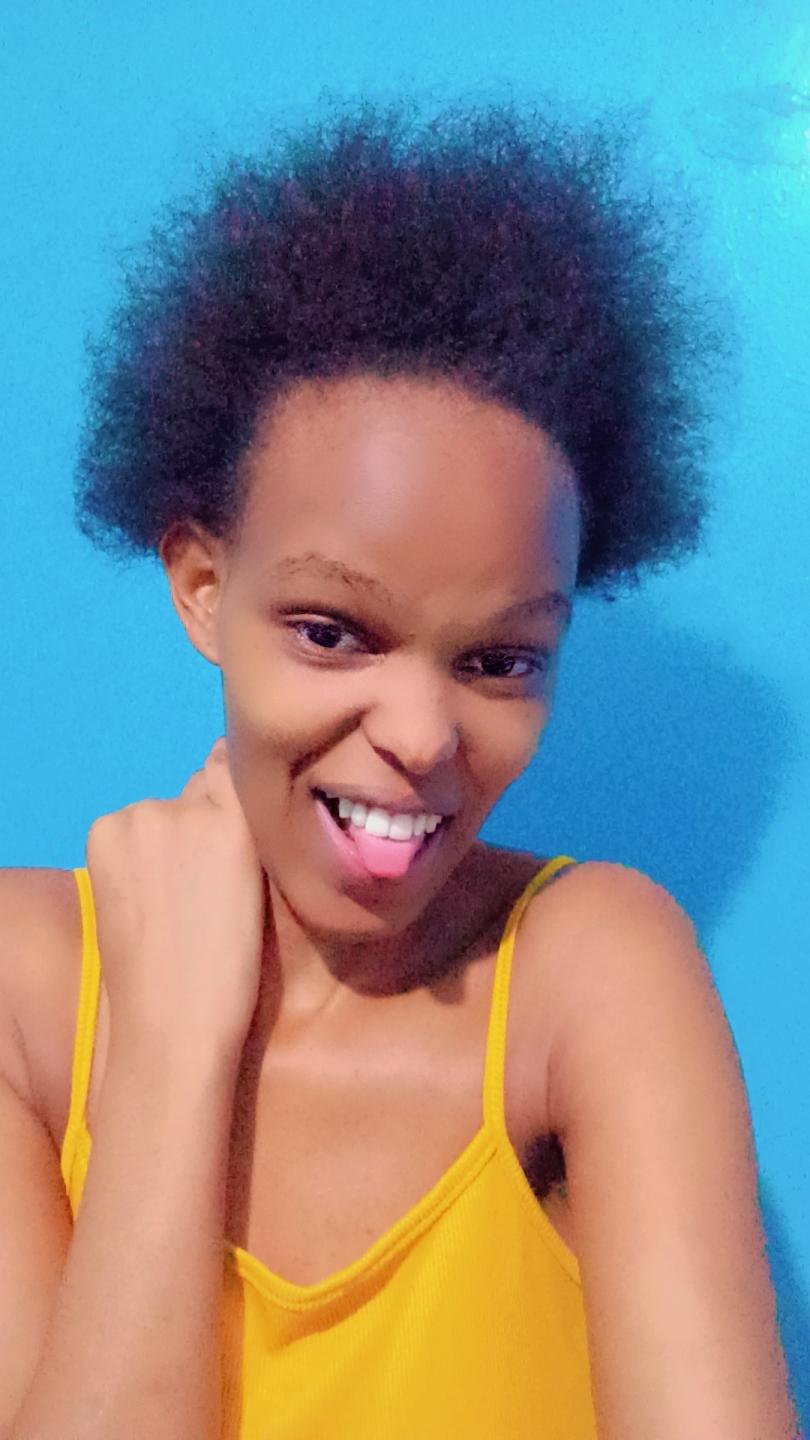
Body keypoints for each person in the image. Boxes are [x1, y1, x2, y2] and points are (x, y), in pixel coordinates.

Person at [0, 94, 800, 1440]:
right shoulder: (24, 992)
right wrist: (169, 1054)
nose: (424, 737)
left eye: (500, 659)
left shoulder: (591, 972)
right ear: (202, 588)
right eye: (333, 631)